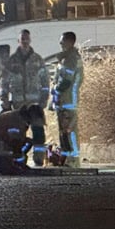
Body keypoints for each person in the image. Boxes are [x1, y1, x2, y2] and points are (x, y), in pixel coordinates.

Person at [0, 29, 50, 165]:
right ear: (18, 41)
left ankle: (39, 158)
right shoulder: (12, 61)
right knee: (18, 133)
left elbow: (45, 81)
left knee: (38, 131)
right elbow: (4, 82)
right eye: (22, 38)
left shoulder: (38, 60)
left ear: (30, 40)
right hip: (18, 104)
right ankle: (19, 159)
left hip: (35, 103)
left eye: (27, 38)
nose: (25, 41)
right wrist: (4, 99)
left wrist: (44, 99)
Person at [0, 104, 45, 176]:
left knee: (27, 143)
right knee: (12, 170)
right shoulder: (16, 122)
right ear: (32, 117)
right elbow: (15, 144)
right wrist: (17, 163)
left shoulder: (16, 117)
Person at [51, 31, 84, 167]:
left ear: (70, 42)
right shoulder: (69, 57)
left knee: (69, 131)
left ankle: (73, 159)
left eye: (62, 40)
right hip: (66, 100)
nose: (60, 43)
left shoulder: (70, 59)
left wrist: (56, 91)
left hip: (67, 100)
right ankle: (67, 157)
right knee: (65, 131)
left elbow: (66, 81)